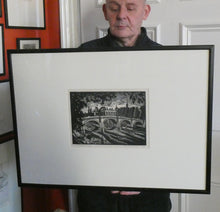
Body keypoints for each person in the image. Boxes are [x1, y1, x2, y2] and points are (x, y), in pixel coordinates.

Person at [78, 0, 172, 211]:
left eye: (130, 8)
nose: (121, 15)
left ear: (145, 12)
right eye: (114, 7)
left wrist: (149, 176)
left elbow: (172, 127)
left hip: (151, 190)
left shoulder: (167, 60)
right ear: (105, 11)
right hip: (96, 191)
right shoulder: (83, 55)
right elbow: (76, 123)